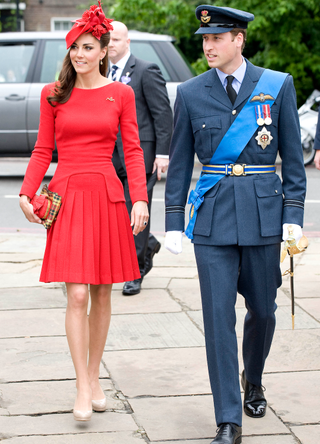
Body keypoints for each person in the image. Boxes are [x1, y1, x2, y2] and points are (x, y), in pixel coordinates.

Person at [164, 5, 306, 444]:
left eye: (218, 39)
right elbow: (181, 161)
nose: (208, 46)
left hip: (264, 214)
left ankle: (255, 379)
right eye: (205, 40)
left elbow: (293, 162)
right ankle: (228, 418)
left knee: (263, 311)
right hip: (213, 219)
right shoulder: (190, 93)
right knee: (217, 318)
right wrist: (172, 221)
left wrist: (294, 215)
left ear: (239, 40)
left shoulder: (276, 86)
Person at [19, 1, 148, 423]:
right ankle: (81, 384)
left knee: (102, 292)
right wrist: (26, 192)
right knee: (75, 293)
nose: (80, 54)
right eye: (75, 46)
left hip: (108, 197)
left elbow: (131, 149)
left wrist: (141, 198)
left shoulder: (121, 94)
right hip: (68, 196)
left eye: (88, 47)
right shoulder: (53, 95)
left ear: (103, 50)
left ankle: (95, 377)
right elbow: (42, 149)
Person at [108, 21, 173, 296]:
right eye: (106, 40)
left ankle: (134, 272)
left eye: (115, 40)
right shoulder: (99, 73)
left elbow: (162, 114)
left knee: (136, 211)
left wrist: (162, 154)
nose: (110, 44)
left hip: (141, 154)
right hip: (109, 154)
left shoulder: (146, 71)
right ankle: (149, 244)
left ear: (127, 42)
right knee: (116, 213)